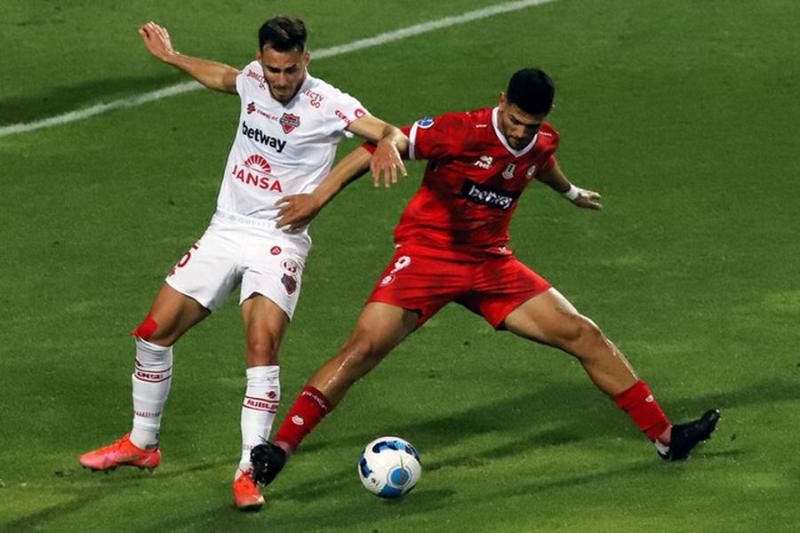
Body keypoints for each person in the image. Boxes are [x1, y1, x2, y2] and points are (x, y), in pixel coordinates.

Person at [249, 68, 721, 490]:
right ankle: (282, 448)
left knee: (584, 334)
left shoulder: (541, 141)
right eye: (514, 121)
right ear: (502, 102)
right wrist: (318, 196)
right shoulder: (460, 130)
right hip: (428, 256)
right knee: (362, 349)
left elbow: (539, 163)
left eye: (530, 126)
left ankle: (666, 437)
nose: (520, 133)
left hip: (490, 264)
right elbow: (381, 140)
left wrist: (571, 192)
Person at [78, 16, 408, 511]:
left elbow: (392, 134)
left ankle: (249, 472)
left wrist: (322, 194)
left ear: (306, 61)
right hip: (225, 228)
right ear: (261, 60)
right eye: (273, 69)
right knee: (153, 332)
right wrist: (172, 57)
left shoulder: (327, 102)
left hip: (280, 239)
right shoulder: (253, 79)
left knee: (261, 345)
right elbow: (223, 77)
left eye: (291, 70)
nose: (280, 81)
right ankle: (142, 444)